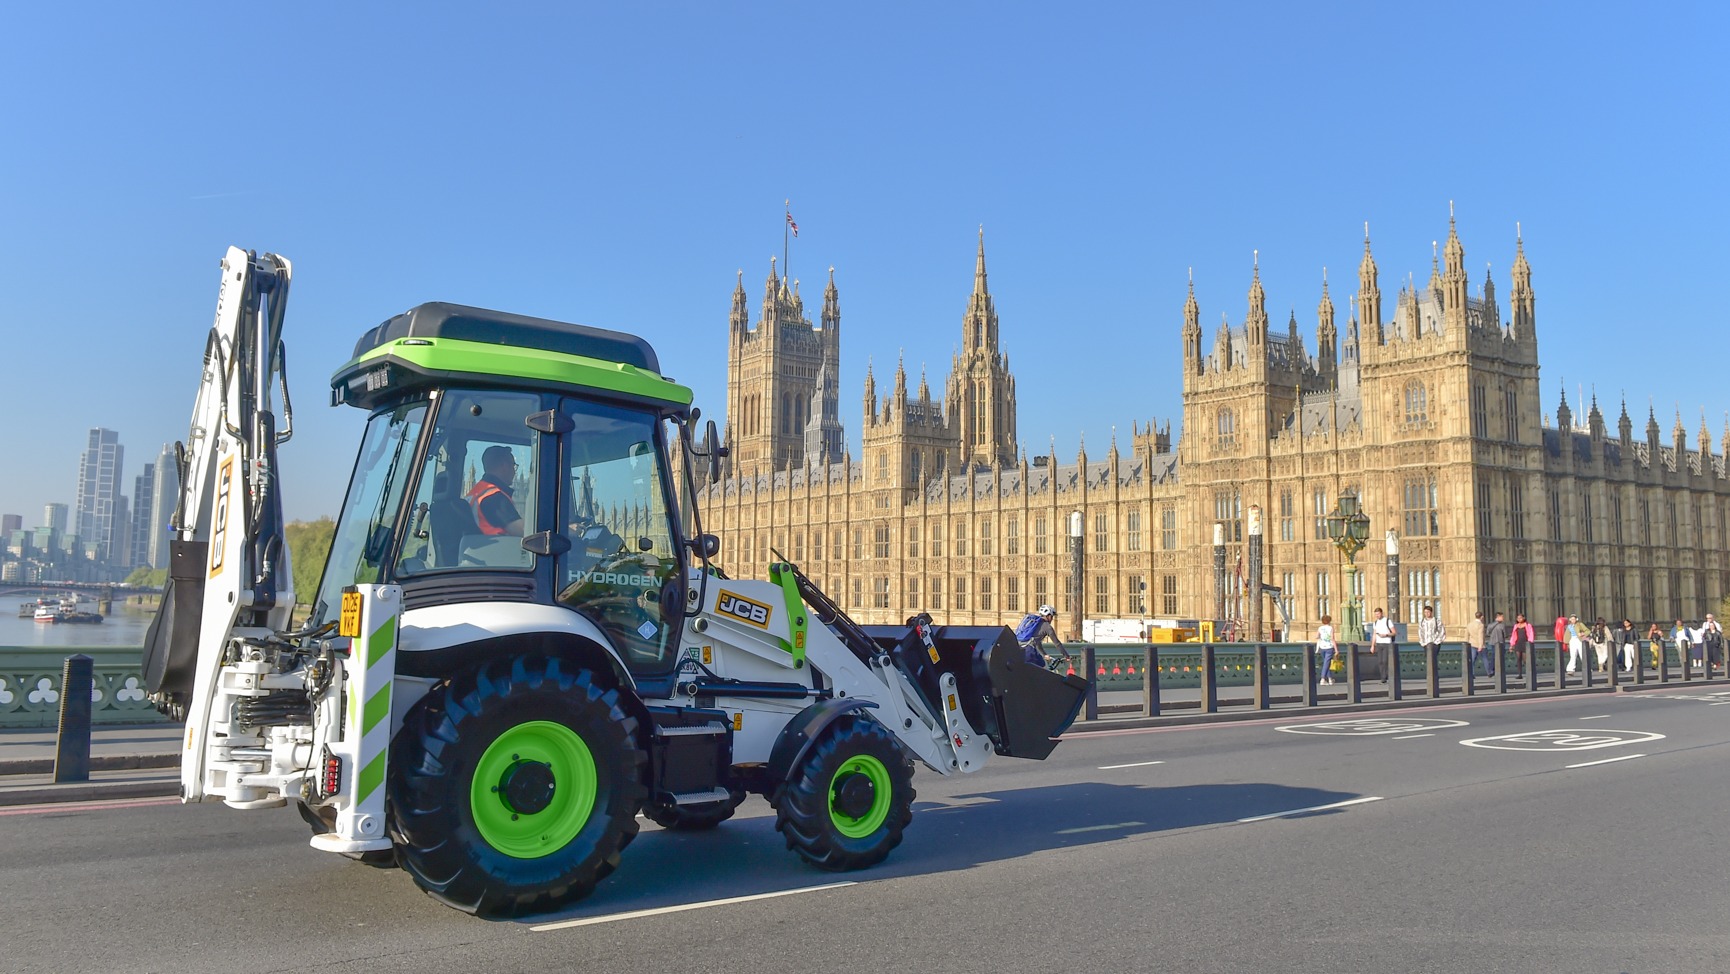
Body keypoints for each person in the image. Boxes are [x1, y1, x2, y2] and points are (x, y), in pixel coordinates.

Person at [466, 445, 526, 536]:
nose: (514, 471)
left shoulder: (476, 492)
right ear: (504, 466)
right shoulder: (494, 497)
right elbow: (523, 531)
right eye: (513, 466)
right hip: (496, 548)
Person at [1370, 608, 1395, 683]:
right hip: (1379, 643)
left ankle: (1386, 676)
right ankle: (1383, 677)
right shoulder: (1375, 623)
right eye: (1376, 614)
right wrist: (1372, 645)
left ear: (1381, 613)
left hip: (1387, 642)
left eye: (1378, 614)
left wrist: (1386, 635)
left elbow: (1394, 632)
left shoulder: (1388, 621)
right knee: (1380, 661)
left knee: (1385, 661)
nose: (1377, 616)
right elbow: (1374, 634)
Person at [1315, 613, 1338, 686]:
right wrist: (1336, 650)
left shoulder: (1320, 628)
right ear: (1329, 621)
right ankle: (1323, 679)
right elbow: (1332, 639)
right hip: (1329, 647)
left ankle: (1330, 679)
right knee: (1326, 663)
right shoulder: (1330, 628)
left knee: (1326, 663)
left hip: (1322, 647)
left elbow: (1317, 636)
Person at [1484, 611, 1508, 677]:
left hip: (1492, 642)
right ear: (1498, 617)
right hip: (1500, 643)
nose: (1503, 618)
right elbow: (1505, 635)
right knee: (1500, 657)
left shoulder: (1490, 625)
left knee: (1493, 657)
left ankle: (1491, 670)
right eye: (1502, 616)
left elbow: (1487, 633)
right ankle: (1499, 670)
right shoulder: (1502, 625)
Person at [1465, 611, 1486, 679]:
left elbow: (1466, 635)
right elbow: (1480, 636)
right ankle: (1489, 672)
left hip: (1471, 644)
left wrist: (1466, 643)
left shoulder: (1469, 624)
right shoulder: (1481, 625)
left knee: (1472, 660)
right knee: (1485, 658)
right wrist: (1480, 645)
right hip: (1479, 645)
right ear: (1481, 617)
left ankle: (1471, 673)